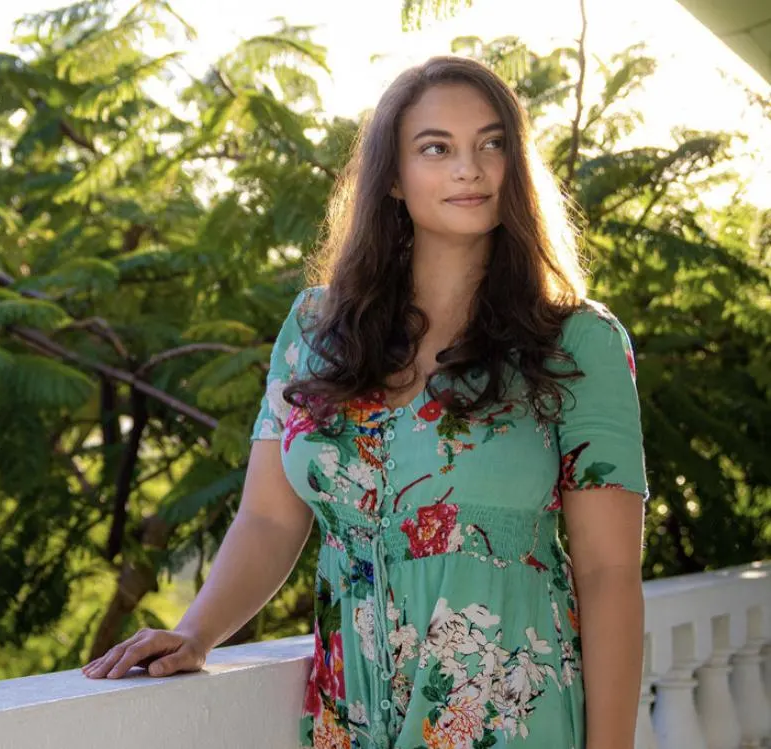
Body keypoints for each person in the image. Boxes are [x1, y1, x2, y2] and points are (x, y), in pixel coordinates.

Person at [83, 55, 648, 749]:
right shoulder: (316, 330)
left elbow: (608, 570)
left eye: (491, 143)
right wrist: (196, 630)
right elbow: (266, 518)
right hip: (348, 717)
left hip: (507, 717)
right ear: (390, 176)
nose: (468, 168)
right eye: (435, 147)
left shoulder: (578, 342)